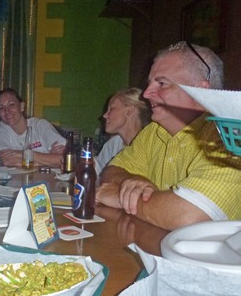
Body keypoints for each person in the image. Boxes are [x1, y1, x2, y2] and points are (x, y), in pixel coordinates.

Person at [96, 41, 241, 230]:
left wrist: (123, 198)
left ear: (202, 91)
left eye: (162, 83)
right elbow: (112, 171)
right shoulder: (154, 132)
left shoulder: (230, 137)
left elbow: (189, 215)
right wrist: (131, 184)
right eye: (149, 84)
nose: (146, 94)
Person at [0, 88, 66, 167]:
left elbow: (63, 159)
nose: (7, 111)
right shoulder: (2, 128)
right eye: (1, 108)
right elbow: (7, 161)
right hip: (19, 179)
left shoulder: (40, 125)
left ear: (21, 106)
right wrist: (47, 161)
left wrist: (21, 153)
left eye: (11, 104)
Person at [95, 87, 151, 177]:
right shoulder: (112, 144)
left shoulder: (150, 145)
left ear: (129, 111)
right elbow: (96, 174)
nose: (105, 115)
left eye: (111, 109)